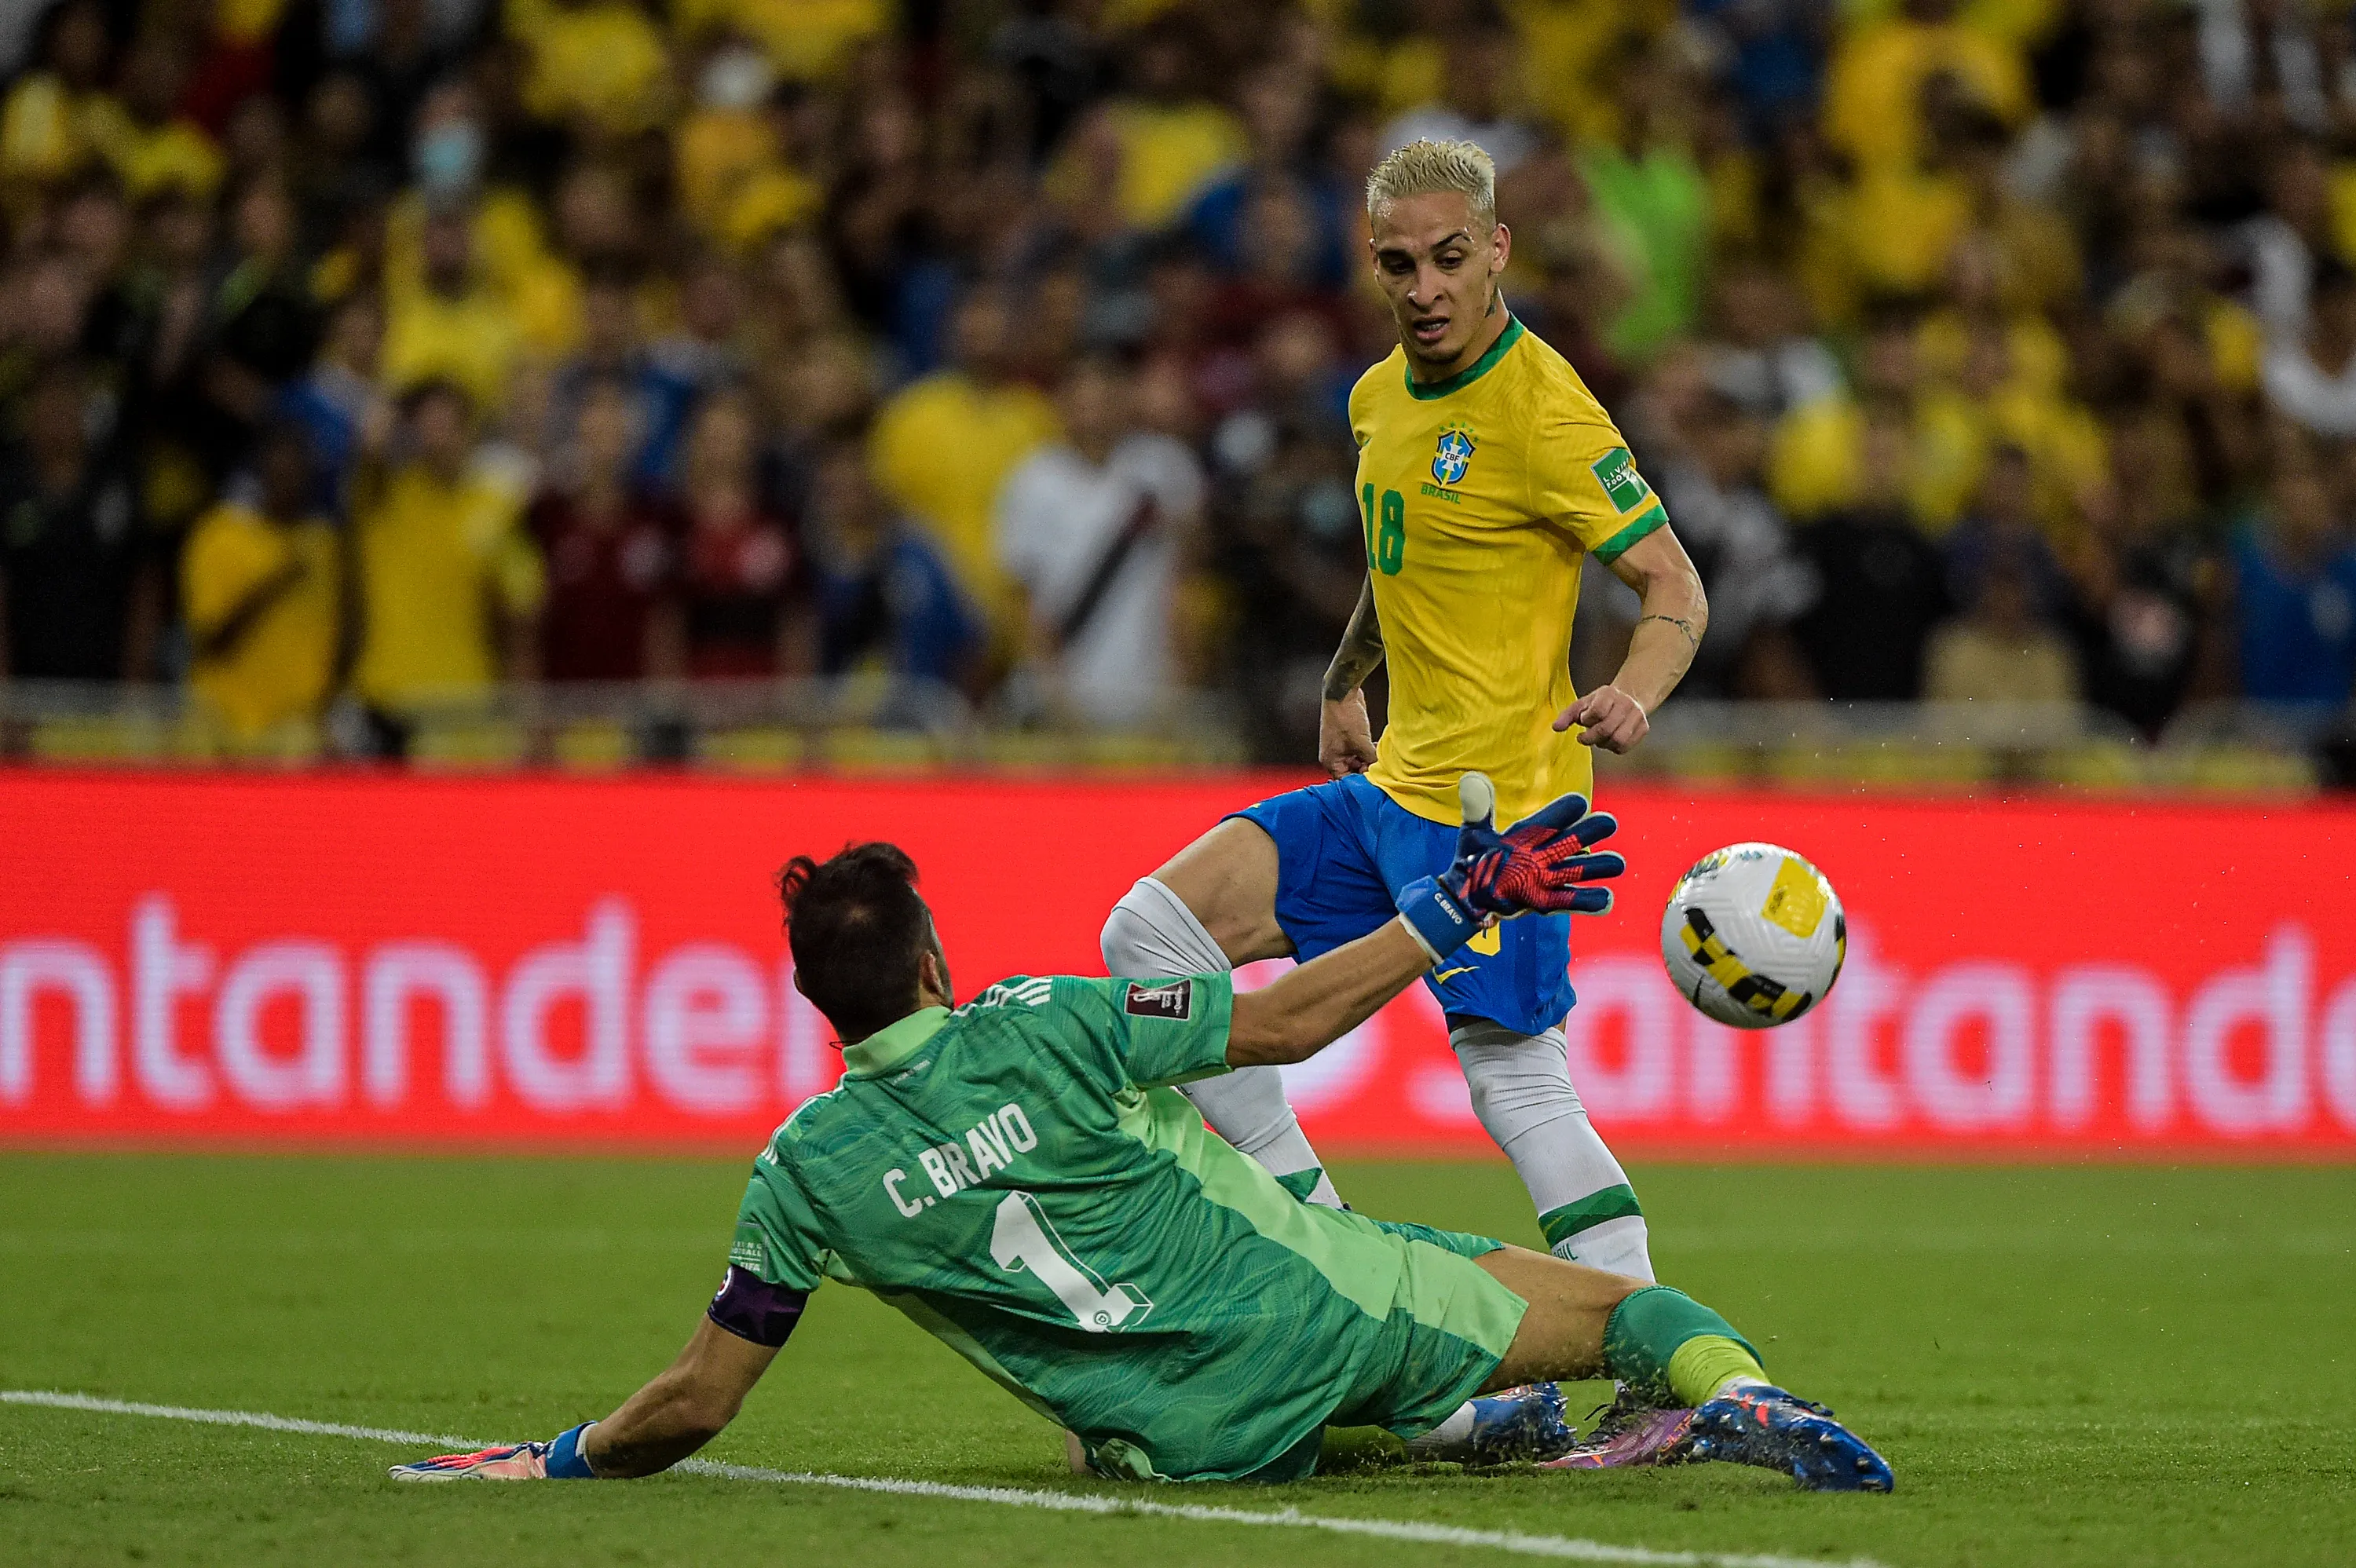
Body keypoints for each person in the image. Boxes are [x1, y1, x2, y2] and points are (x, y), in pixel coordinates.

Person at [388, 794, 1892, 1492]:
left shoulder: (802, 1173)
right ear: (933, 965)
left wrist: (565, 1456)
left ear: (815, 1004)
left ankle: (1466, 1425)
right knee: (1630, 1315)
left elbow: (701, 1402)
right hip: (1321, 1318)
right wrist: (1453, 906)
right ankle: (1743, 1401)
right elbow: (1286, 1021)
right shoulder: (1043, 1020)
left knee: (1275, 1383)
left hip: (1172, 1445)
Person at [1098, 142, 1708, 1326]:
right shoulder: (1376, 397)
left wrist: (1636, 690)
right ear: (1369, 263)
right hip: (1391, 788)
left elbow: (1674, 582)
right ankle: (1321, 1252)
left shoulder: (1546, 410)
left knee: (1515, 1077)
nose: (1424, 288)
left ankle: (1651, 1350)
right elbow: (1404, 559)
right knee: (1151, 934)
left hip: (1505, 814)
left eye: (1446, 260)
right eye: (1397, 264)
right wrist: (1347, 676)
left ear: (1496, 252)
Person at [997, 356, 1203, 727]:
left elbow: (1185, 579)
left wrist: (1182, 676)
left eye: (1105, 395)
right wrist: (1050, 689)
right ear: (1061, 401)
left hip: (1149, 688)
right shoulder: (1032, 480)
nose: (1093, 409)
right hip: (1062, 694)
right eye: (1082, 397)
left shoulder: (1165, 467)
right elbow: (1021, 599)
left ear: (1126, 398)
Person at [181, 422, 341, 748]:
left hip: (294, 723)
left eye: (297, 471)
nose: (288, 482)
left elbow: (346, 635)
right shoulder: (219, 534)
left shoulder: (324, 545)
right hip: (220, 715)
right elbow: (211, 640)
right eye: (279, 471)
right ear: (259, 470)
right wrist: (279, 580)